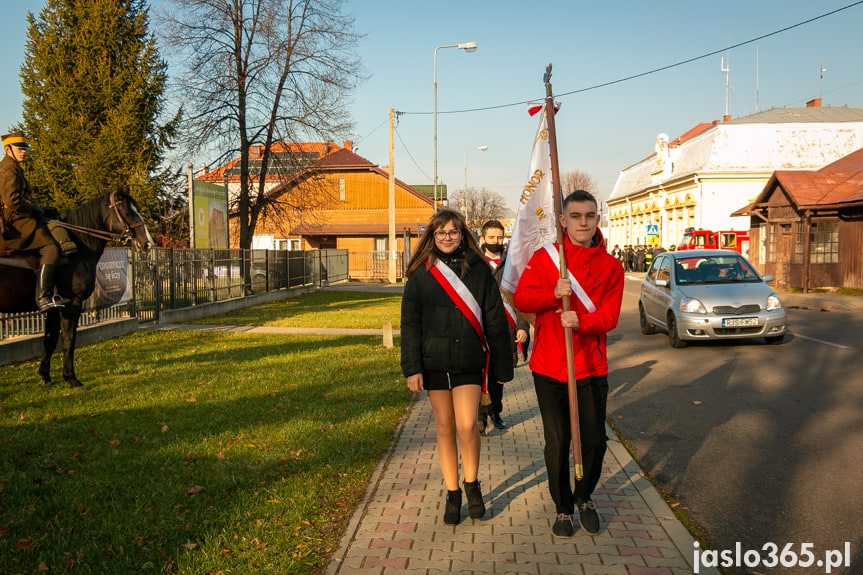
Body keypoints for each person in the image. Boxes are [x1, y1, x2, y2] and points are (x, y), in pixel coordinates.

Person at [513, 190, 624, 538]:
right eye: (575, 216)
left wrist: (581, 322)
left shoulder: (612, 266)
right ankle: (563, 507)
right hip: (549, 366)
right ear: (563, 220)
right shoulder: (546, 258)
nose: (583, 223)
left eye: (590, 216)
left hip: (591, 366)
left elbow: (610, 316)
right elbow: (521, 297)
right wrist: (552, 294)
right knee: (558, 443)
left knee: (593, 441)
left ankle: (585, 496)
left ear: (597, 219)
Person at [400, 209, 514, 525]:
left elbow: (494, 319)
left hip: (468, 362)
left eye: (453, 232)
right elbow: (409, 324)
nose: (447, 238)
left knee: (467, 425)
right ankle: (453, 494)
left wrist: (503, 367)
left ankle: (472, 484)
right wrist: (412, 368)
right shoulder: (421, 273)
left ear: (462, 234)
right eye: (441, 233)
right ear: (432, 236)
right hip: (433, 363)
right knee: (445, 427)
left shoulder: (478, 271)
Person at [0, 130, 70, 312]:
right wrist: (35, 209)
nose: (24, 151)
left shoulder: (13, 167)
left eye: (25, 148)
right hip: (15, 221)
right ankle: (43, 298)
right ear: (8, 149)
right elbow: (11, 200)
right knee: (51, 248)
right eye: (19, 148)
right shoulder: (8, 168)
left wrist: (42, 209)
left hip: (20, 217)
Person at [478, 220, 529, 434]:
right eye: (491, 238)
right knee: (480, 374)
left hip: (505, 329)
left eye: (499, 238)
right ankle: (480, 416)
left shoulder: (512, 263)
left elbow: (522, 296)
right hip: (480, 328)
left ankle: (495, 411)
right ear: (483, 239)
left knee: (500, 375)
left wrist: (523, 325)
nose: (496, 242)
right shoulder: (474, 262)